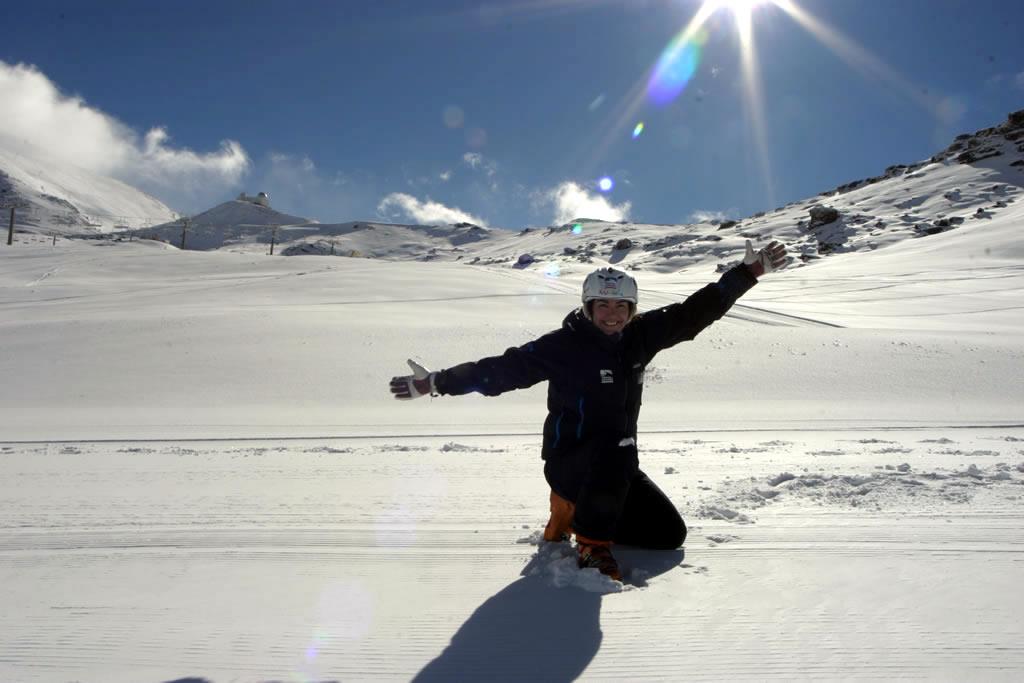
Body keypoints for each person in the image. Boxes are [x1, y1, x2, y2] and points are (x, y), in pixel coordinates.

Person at [390, 240, 789, 581]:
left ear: (632, 309)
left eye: (622, 305)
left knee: (668, 534)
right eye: (602, 305)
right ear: (587, 306)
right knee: (615, 448)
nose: (612, 314)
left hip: (616, 467)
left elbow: (693, 313)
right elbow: (501, 370)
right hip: (569, 463)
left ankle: (579, 515)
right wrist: (437, 382)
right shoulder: (564, 346)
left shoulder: (640, 337)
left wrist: (748, 273)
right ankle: (591, 544)